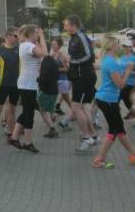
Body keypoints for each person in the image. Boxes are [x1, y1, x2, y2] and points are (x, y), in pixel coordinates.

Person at [93, 36, 135, 168]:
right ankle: (99, 160)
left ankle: (134, 154)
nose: (119, 46)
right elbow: (121, 84)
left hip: (107, 99)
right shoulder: (110, 62)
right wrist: (128, 71)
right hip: (108, 100)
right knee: (113, 131)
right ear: (112, 46)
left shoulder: (109, 59)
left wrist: (128, 66)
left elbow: (119, 65)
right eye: (117, 44)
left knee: (120, 129)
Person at [8, 25, 46, 153]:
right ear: (30, 34)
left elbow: (40, 55)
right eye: (36, 33)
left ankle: (14, 137)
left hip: (28, 84)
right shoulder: (28, 45)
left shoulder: (26, 45)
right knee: (29, 114)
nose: (37, 35)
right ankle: (27, 142)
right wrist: (42, 37)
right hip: (27, 84)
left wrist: (39, 41)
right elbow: (43, 53)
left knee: (26, 112)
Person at [63, 15, 98, 152]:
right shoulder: (73, 38)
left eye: (66, 25)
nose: (65, 27)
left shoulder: (81, 37)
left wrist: (72, 61)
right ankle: (93, 136)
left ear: (73, 25)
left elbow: (89, 55)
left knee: (76, 107)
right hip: (78, 76)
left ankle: (86, 137)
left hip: (84, 77)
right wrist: (69, 61)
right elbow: (76, 56)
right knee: (83, 108)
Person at [50, 37, 73, 131]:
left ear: (59, 45)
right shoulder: (52, 55)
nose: (52, 45)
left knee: (68, 100)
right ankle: (52, 115)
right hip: (54, 81)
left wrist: (56, 69)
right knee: (52, 99)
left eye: (54, 44)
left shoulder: (62, 55)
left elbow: (67, 69)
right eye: (52, 44)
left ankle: (75, 113)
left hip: (63, 80)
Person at [37, 50, 60, 138]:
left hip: (46, 90)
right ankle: (53, 116)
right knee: (50, 108)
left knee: (42, 109)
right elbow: (57, 75)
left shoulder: (45, 61)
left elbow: (44, 77)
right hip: (54, 89)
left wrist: (38, 80)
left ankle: (52, 128)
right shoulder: (52, 60)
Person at [118, 40, 135, 124]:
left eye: (126, 46)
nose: (124, 48)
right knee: (127, 102)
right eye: (123, 46)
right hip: (121, 82)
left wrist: (129, 72)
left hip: (129, 83)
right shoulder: (122, 57)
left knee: (117, 100)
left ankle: (117, 120)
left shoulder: (134, 58)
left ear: (130, 48)